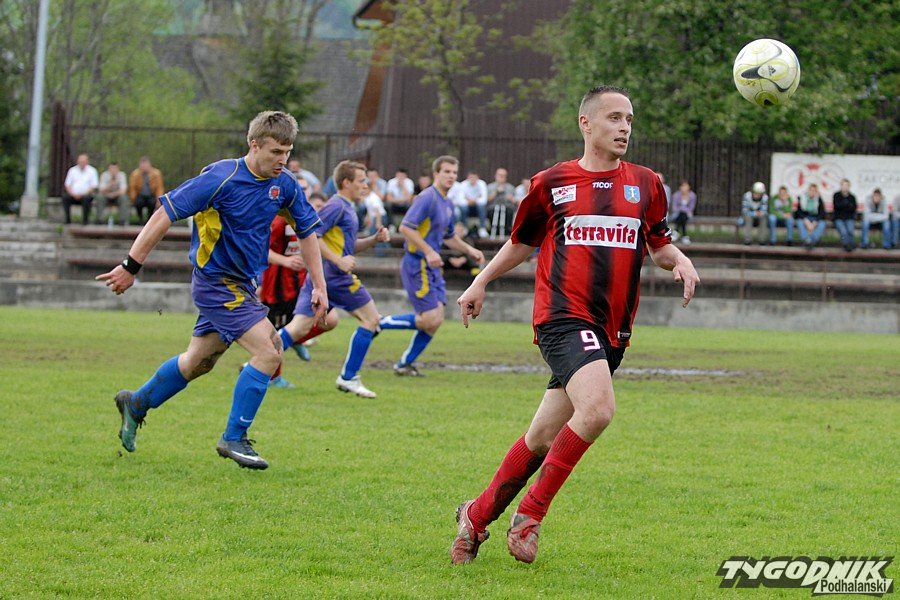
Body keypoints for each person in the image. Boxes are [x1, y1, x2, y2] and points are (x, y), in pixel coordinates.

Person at [450, 85, 699, 565]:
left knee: (542, 439)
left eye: (629, 119)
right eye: (614, 118)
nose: (624, 128)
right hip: (562, 317)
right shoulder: (552, 182)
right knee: (599, 409)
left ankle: (474, 517)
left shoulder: (646, 184)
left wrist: (681, 260)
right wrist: (480, 281)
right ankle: (530, 516)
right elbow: (522, 242)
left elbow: (658, 245)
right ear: (586, 123)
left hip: (613, 329)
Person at [96, 111, 327, 470]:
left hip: (243, 285)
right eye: (275, 152)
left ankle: (135, 403)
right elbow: (163, 214)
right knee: (270, 350)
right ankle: (234, 437)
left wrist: (320, 286)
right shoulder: (221, 178)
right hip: (216, 284)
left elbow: (307, 231)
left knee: (198, 363)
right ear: (254, 144)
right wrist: (130, 266)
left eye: (287, 152)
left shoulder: (284, 184)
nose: (282, 160)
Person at [276, 160, 394, 398]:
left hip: (324, 276)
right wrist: (338, 261)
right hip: (335, 277)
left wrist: (373, 240)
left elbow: (346, 246)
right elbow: (312, 235)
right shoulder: (336, 206)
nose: (366, 185)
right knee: (371, 319)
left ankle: (256, 362)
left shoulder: (347, 208)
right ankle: (349, 377)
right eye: (361, 181)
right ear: (346, 183)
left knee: (299, 327)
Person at [377, 155, 484, 377]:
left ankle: (404, 364)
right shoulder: (427, 197)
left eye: (454, 173)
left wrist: (469, 250)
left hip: (431, 266)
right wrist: (428, 251)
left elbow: (449, 236)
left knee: (435, 320)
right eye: (447, 172)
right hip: (417, 264)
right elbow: (406, 227)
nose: (451, 176)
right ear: (436, 174)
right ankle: (378, 323)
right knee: (429, 318)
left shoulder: (447, 202)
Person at [62, 153, 99, 225]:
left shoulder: (92, 171)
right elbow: (67, 185)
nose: (82, 163)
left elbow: (94, 186)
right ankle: (67, 219)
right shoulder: (72, 170)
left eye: (84, 161)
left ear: (87, 162)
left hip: (86, 195)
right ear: (77, 161)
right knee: (65, 197)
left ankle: (85, 220)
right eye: (81, 161)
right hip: (73, 195)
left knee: (87, 198)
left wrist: (83, 194)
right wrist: (72, 194)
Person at [128, 157, 164, 225]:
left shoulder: (156, 174)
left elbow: (159, 188)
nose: (144, 167)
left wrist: (159, 200)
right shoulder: (135, 174)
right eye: (142, 165)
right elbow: (132, 188)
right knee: (138, 202)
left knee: (152, 202)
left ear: (149, 165)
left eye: (146, 165)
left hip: (151, 195)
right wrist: (133, 199)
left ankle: (149, 219)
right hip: (140, 195)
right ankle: (140, 219)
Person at [486, 167, 517, 238]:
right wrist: (496, 192)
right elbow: (486, 200)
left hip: (507, 208)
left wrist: (511, 198)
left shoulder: (510, 187)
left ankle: (507, 232)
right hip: (492, 208)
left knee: (509, 212)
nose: (501, 177)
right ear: (496, 176)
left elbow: (515, 202)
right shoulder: (490, 187)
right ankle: (493, 232)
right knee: (491, 212)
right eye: (500, 175)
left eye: (503, 176)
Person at [97, 162, 130, 226]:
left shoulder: (122, 175)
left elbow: (123, 191)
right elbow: (101, 190)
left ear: (118, 169)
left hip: (117, 196)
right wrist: (109, 185)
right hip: (106, 195)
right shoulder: (104, 175)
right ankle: (99, 219)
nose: (113, 170)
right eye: (112, 168)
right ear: (108, 169)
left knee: (124, 198)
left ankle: (123, 220)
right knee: (99, 197)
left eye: (115, 168)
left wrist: (114, 194)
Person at [795, 183, 827, 248]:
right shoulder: (802, 198)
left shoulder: (819, 199)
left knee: (822, 224)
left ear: (816, 192)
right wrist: (806, 220)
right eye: (811, 190)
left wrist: (815, 222)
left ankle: (812, 241)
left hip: (815, 218)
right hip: (805, 218)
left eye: (814, 190)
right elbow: (798, 212)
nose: (812, 192)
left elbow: (822, 213)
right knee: (799, 222)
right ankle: (806, 240)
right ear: (808, 190)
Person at [832, 178, 858, 252]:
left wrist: (843, 205)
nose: (845, 187)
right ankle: (847, 245)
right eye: (843, 185)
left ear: (849, 186)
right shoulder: (836, 195)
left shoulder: (852, 197)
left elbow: (853, 208)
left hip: (849, 218)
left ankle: (850, 244)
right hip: (838, 218)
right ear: (841, 186)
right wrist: (847, 205)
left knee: (850, 230)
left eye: (847, 185)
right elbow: (837, 206)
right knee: (843, 231)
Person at [669, 180, 696, 244]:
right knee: (682, 215)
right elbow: (674, 208)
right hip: (677, 214)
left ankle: (676, 232)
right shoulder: (676, 195)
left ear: (689, 187)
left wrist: (681, 208)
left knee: (683, 215)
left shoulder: (692, 195)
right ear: (680, 187)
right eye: (682, 186)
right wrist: (683, 209)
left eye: (686, 186)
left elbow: (691, 208)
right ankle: (684, 236)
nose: (684, 188)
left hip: (688, 214)